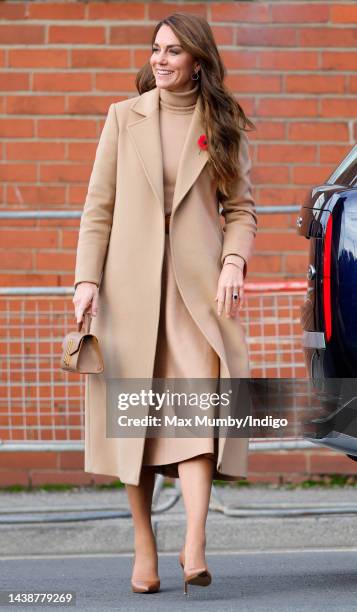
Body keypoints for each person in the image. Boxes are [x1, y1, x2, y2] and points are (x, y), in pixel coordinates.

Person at [73, 12, 257, 596]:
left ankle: (195, 541)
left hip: (198, 296)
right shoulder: (123, 119)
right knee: (138, 425)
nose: (160, 59)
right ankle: (145, 545)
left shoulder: (222, 124)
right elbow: (97, 207)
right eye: (156, 49)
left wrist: (233, 262)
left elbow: (242, 210)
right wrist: (85, 281)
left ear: (198, 61)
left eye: (173, 51)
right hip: (129, 295)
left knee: (198, 413)